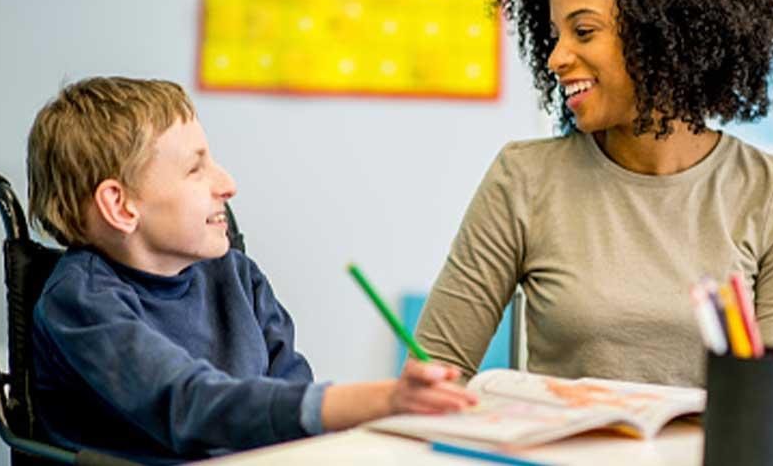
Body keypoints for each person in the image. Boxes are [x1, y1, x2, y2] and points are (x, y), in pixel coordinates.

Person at [415, 0, 773, 387]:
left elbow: (770, 406)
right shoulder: (522, 178)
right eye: (554, 36)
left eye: (583, 32)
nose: (556, 58)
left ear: (663, 33)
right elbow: (435, 374)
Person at [27, 77, 476, 464]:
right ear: (120, 205)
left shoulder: (235, 275)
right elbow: (190, 405)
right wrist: (379, 399)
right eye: (195, 168)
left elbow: (292, 397)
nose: (227, 183)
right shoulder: (79, 300)